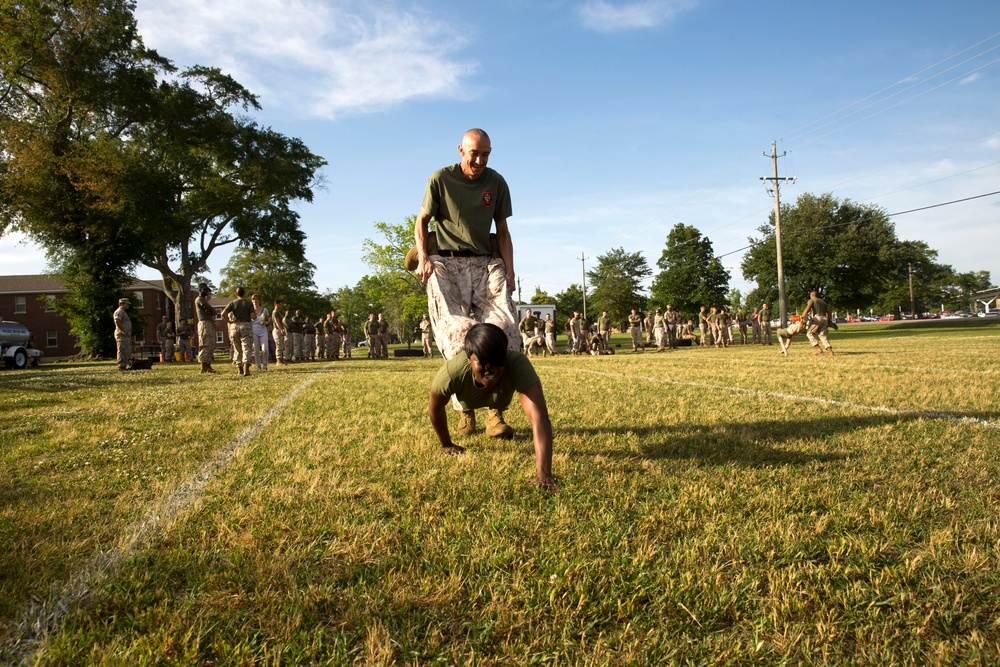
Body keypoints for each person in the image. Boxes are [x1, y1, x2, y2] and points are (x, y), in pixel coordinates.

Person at [413, 128, 520, 361]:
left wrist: (510, 271)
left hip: (485, 264)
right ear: (461, 150)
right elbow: (421, 221)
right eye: (474, 154)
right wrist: (423, 257)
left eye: (486, 154)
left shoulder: (496, 182)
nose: (480, 161)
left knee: (507, 331)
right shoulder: (440, 179)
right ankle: (461, 384)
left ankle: (499, 381)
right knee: (455, 331)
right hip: (447, 262)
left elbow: (503, 232)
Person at [427, 323, 555, 490]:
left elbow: (539, 417)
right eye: (483, 361)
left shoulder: (517, 364)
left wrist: (544, 474)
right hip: (467, 398)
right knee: (467, 429)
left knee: (497, 400)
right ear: (468, 359)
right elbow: (435, 408)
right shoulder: (453, 372)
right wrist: (446, 444)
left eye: (497, 361)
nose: (491, 369)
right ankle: (466, 413)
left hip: (498, 398)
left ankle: (494, 413)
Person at [222, 286, 256, 376]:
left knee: (237, 348)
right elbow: (253, 316)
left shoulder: (232, 303)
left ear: (236, 294)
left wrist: (229, 321)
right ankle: (246, 367)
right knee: (247, 347)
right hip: (245, 325)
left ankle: (239, 367)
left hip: (234, 326)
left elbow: (223, 313)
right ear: (244, 293)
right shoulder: (249, 303)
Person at [802, 290, 835, 356]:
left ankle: (818, 349)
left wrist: (803, 316)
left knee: (809, 333)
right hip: (824, 318)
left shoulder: (812, 300)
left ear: (812, 295)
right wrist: (829, 320)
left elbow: (808, 308)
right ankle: (830, 351)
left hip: (817, 318)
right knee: (823, 335)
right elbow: (829, 311)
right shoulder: (823, 302)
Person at [195, 284, 217, 373]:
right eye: (205, 290)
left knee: (211, 345)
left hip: (209, 323)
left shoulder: (204, 300)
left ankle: (208, 365)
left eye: (208, 290)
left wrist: (212, 311)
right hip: (204, 323)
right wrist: (212, 311)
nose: (208, 291)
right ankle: (203, 366)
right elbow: (208, 309)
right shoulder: (199, 299)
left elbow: (211, 311)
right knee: (205, 344)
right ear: (200, 290)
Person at [250, 294, 270, 372]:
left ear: (259, 300)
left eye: (257, 299)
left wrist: (265, 322)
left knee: (265, 349)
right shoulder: (250, 310)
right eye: (254, 300)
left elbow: (268, 320)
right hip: (254, 331)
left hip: (263, 330)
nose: (255, 301)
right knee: (256, 350)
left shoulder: (265, 310)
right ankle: (258, 366)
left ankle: (265, 365)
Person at [113, 297, 132, 370]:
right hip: (121, 334)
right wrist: (123, 330)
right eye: (126, 304)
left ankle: (125, 364)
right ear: (121, 304)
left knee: (126, 350)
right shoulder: (119, 311)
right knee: (122, 349)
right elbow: (117, 321)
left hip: (125, 335)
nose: (128, 305)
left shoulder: (123, 312)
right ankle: (121, 365)